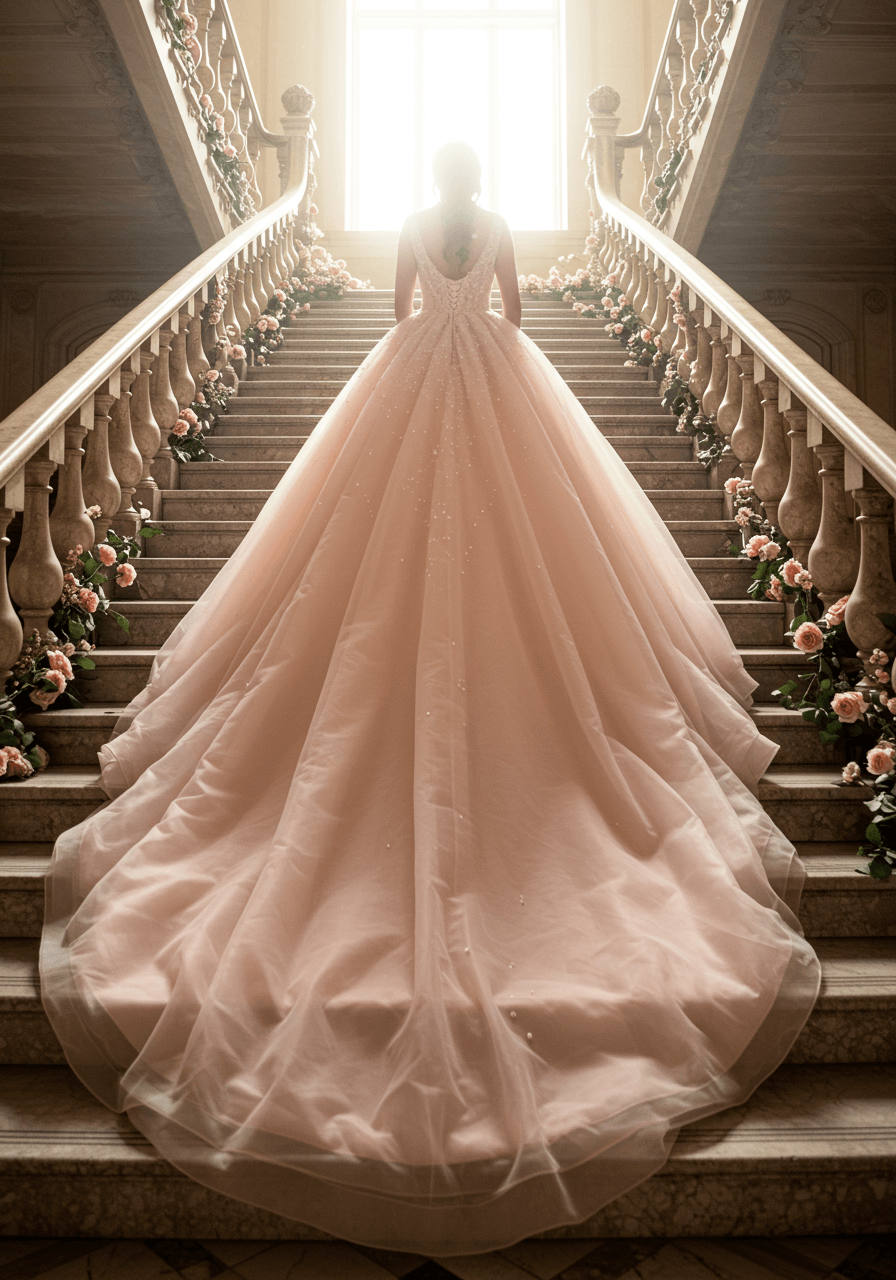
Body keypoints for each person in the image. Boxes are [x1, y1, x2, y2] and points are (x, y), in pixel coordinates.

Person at [41, 142, 820, 1256]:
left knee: (356, 568)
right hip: (497, 382)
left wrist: (426, 332)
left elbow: (402, 307)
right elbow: (510, 311)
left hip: (408, 379)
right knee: (541, 570)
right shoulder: (495, 222)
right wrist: (486, 335)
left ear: (434, 182)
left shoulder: (413, 222)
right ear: (475, 181)